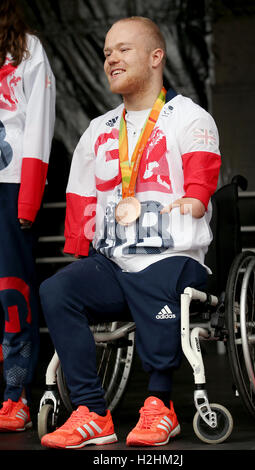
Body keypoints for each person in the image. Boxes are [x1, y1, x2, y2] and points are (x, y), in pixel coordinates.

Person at [40, 16, 221, 449]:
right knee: (56, 290)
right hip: (115, 261)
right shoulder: (98, 129)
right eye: (106, 53)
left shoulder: (189, 117)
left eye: (123, 49)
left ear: (156, 57)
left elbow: (203, 173)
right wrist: (79, 247)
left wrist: (195, 196)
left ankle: (161, 405)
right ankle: (91, 413)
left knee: (152, 276)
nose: (111, 59)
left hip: (173, 258)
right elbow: (80, 194)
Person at [0, 0, 55, 431]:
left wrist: (30, 195)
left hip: (11, 181)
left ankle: (14, 393)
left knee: (11, 289)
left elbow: (38, 120)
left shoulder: (26, 49)